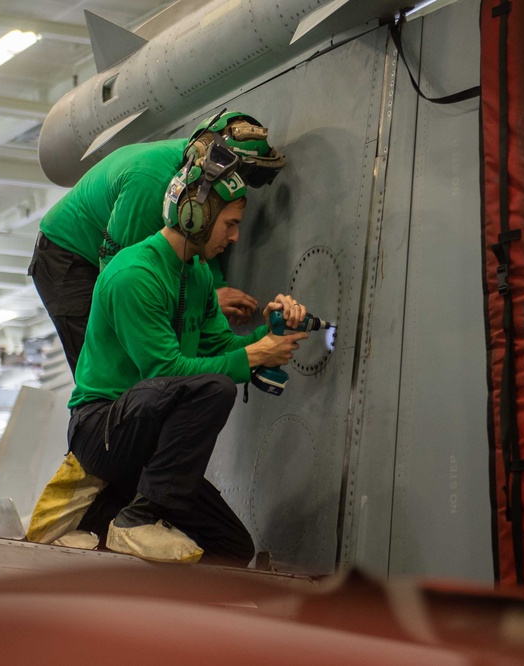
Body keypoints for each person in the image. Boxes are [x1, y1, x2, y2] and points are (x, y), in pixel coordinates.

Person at [27, 144, 311, 565]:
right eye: (230, 225)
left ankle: (109, 524)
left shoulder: (195, 275)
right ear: (195, 216)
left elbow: (218, 348)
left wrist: (267, 336)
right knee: (212, 388)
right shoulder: (133, 275)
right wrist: (254, 357)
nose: (235, 237)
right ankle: (135, 520)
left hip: (147, 434)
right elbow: (165, 372)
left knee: (232, 549)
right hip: (103, 429)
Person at [28, 111, 286, 375]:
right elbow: (117, 277)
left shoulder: (197, 180)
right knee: (106, 368)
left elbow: (201, 239)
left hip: (100, 251)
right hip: (68, 257)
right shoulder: (152, 185)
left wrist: (213, 294)